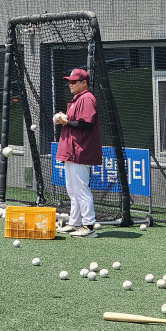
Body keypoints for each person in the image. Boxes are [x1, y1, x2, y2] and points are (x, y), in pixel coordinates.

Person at [54, 68, 102, 238]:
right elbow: (76, 121)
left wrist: (66, 121)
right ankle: (75, 223)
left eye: (74, 81)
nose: (70, 84)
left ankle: (89, 227)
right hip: (71, 151)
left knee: (81, 189)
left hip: (80, 150)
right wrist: (65, 118)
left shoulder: (87, 98)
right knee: (72, 190)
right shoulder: (78, 99)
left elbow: (86, 124)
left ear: (84, 83)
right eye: (69, 81)